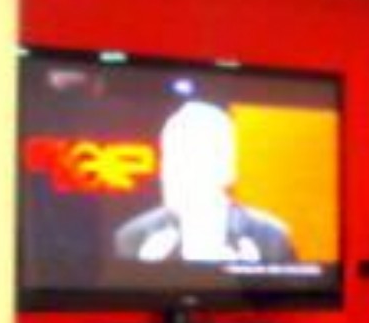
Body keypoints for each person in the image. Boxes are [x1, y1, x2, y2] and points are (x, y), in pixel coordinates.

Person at [112, 99, 296, 264]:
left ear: (227, 168)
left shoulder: (270, 236)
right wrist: (148, 272)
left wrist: (252, 275)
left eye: (191, 157)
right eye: (170, 156)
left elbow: (288, 291)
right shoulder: (133, 238)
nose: (173, 171)